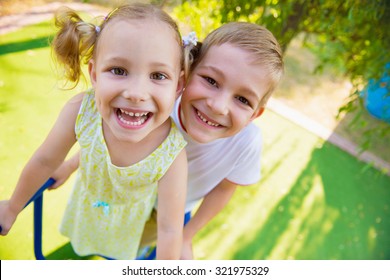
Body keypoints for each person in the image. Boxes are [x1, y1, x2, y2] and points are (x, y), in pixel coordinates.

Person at [42, 21, 284, 259]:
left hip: (166, 214)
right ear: (186, 74)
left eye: (243, 100)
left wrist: (186, 236)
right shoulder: (156, 105)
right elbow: (110, 139)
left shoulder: (247, 143)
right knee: (98, 234)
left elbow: (223, 190)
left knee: (130, 253)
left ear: (255, 114)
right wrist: (71, 164)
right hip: (125, 192)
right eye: (210, 81)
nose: (218, 106)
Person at [0, 3, 192, 260]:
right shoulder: (82, 111)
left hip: (127, 228)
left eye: (157, 75)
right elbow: (46, 160)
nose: (136, 94)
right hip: (86, 210)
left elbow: (169, 229)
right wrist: (13, 207)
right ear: (94, 74)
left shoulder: (172, 154)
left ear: (178, 85)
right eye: (118, 70)